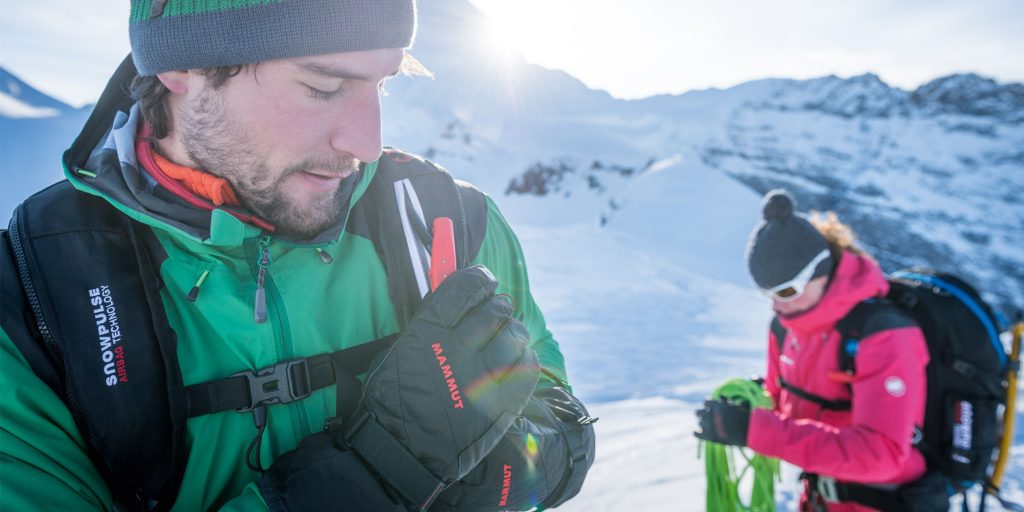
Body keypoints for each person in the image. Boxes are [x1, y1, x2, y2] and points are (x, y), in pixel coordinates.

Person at [0, 1, 594, 510]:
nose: (366, 143)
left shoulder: (445, 222)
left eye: (382, 84)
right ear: (181, 64)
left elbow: (561, 425)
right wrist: (387, 467)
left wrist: (493, 477)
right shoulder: (34, 304)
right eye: (323, 87)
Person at [695, 189, 937, 511]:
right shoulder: (785, 327)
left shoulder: (884, 334)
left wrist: (754, 430)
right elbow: (785, 409)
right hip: (818, 497)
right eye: (768, 293)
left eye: (787, 290)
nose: (778, 304)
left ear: (820, 272)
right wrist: (747, 409)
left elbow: (881, 455)